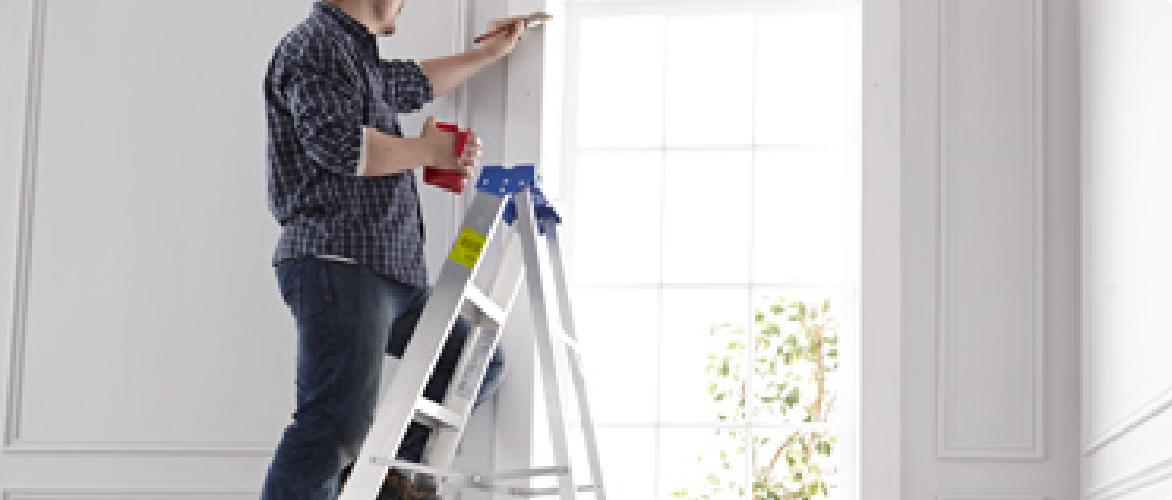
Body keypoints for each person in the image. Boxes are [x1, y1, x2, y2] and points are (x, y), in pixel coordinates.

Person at [260, 1, 529, 498]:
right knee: (331, 429)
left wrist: (490, 54)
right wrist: (431, 151)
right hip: (341, 262)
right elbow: (342, 147)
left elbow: (415, 83)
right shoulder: (314, 44)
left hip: (391, 271)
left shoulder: (353, 54)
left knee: (475, 360)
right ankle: (366, 475)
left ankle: (382, 479)